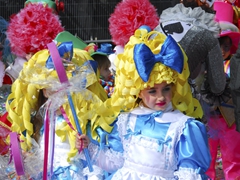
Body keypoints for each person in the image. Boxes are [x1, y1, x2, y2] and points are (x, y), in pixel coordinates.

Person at [76, 28, 210, 179]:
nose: (161, 97)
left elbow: (189, 172)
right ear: (138, 91)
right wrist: (91, 148)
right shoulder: (126, 121)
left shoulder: (183, 127)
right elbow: (115, 161)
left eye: (166, 89)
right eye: (152, 91)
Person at [205, 1, 240, 179]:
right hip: (208, 120)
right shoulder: (201, 66)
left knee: (233, 159)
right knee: (206, 159)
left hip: (230, 120)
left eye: (226, 46)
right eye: (219, 45)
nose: (223, 50)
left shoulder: (234, 65)